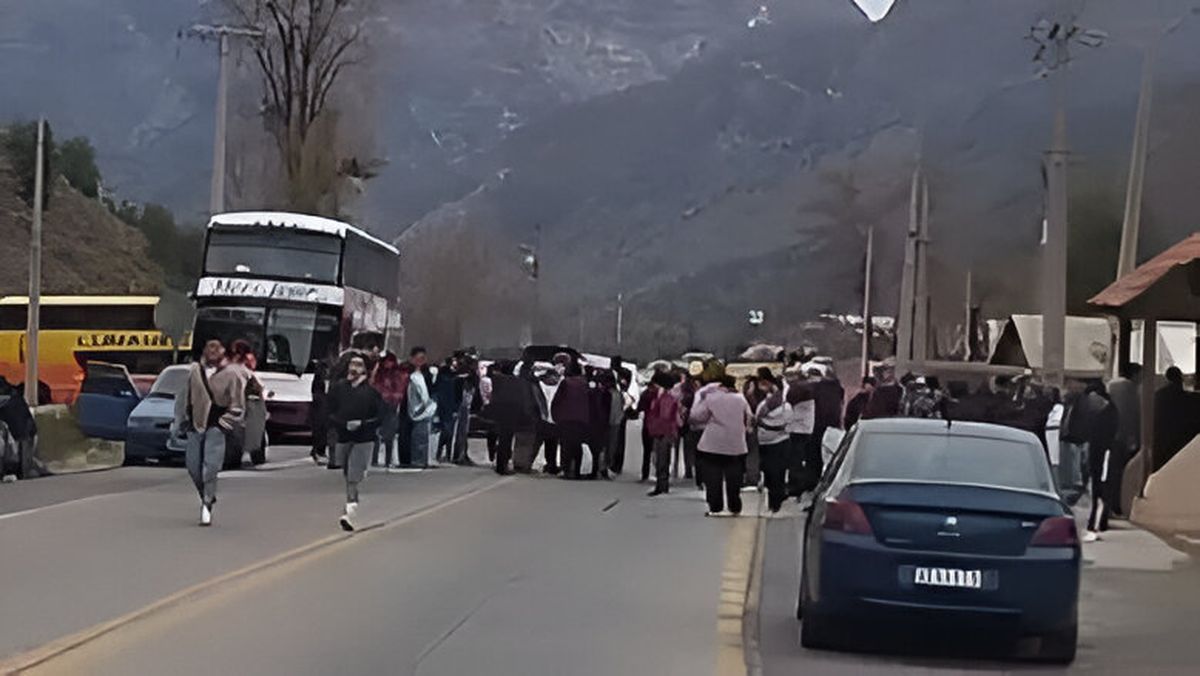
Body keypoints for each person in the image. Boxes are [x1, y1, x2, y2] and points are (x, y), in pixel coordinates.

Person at [174, 339, 246, 527]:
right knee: (193, 467)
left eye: (217, 347)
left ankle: (206, 503)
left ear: (223, 351)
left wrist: (225, 422)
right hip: (195, 426)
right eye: (209, 347)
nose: (213, 351)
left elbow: (238, 404)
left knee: (211, 468)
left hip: (216, 428)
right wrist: (181, 421)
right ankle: (206, 495)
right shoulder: (195, 371)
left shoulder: (232, 374)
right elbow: (184, 397)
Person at [326, 355, 384, 532]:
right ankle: (354, 504)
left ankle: (349, 512)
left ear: (365, 370)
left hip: (363, 439)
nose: (354, 368)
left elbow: (380, 417)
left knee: (353, 476)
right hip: (343, 437)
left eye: (358, 365)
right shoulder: (338, 389)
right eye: (352, 364)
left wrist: (362, 424)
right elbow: (329, 411)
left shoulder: (372, 393)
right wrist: (342, 424)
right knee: (347, 474)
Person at [689, 375, 752, 516]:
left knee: (713, 476)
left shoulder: (711, 398)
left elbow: (696, 416)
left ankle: (716, 507)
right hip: (736, 444)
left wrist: (702, 398)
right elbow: (749, 416)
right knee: (734, 476)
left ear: (720, 386)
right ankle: (735, 505)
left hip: (713, 444)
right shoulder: (741, 399)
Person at [1081, 382, 1118, 541]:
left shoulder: (1106, 410)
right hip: (1100, 451)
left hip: (1104, 452)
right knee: (1097, 486)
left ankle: (1097, 522)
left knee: (1100, 487)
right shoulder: (1106, 409)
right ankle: (1097, 520)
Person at [1106, 364, 1140, 516]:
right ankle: (1118, 504)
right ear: (1134, 375)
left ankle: (1110, 504)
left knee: (1111, 472)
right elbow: (1133, 416)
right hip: (1124, 437)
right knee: (1122, 473)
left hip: (1109, 435)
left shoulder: (1111, 385)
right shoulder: (1131, 389)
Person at [755, 373, 791, 514]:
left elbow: (757, 418)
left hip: (766, 443)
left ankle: (773, 500)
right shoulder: (786, 406)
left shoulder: (764, 405)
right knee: (778, 473)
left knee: (770, 472)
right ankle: (776, 501)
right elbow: (788, 423)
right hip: (780, 442)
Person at [552, 362, 592, 480]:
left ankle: (566, 470)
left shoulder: (566, 383)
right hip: (581, 418)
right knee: (577, 445)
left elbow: (557, 400)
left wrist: (555, 415)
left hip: (566, 418)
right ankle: (577, 470)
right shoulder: (585, 384)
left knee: (566, 445)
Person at [1153, 366, 1198, 471]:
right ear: (1181, 379)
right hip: (1185, 447)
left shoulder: (1157, 396)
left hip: (1161, 445)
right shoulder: (1191, 399)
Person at [645, 371, 681, 496]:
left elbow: (664, 416)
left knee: (662, 459)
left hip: (663, 432)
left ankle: (662, 485)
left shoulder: (666, 398)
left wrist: (657, 429)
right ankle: (661, 484)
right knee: (661, 459)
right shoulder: (663, 397)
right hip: (663, 431)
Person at [371, 353, 406, 469]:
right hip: (378, 407)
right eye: (385, 361)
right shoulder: (378, 374)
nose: (387, 364)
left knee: (389, 436)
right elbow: (373, 385)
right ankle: (374, 459)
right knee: (375, 434)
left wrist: (391, 398)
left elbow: (400, 389)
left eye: (389, 361)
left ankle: (388, 460)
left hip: (391, 407)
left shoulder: (397, 374)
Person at [784, 367, 815, 497]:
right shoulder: (809, 392)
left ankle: (795, 486)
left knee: (795, 459)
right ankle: (801, 483)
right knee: (801, 458)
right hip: (806, 429)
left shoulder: (799, 392)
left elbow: (790, 409)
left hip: (798, 430)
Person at [406, 347, 436, 468]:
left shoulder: (426, 374)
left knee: (422, 437)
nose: (421, 361)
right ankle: (418, 460)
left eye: (423, 358)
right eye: (418, 358)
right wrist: (428, 404)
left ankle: (421, 460)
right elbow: (424, 395)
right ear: (412, 359)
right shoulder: (414, 376)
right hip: (418, 410)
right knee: (419, 437)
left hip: (422, 410)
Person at [432, 357, 462, 464]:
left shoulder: (444, 380)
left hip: (444, 408)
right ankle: (444, 454)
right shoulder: (451, 380)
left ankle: (443, 454)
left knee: (446, 432)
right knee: (448, 432)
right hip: (447, 408)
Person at [635, 380, 659, 482]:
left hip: (647, 424)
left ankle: (645, 474)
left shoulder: (645, 394)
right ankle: (659, 474)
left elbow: (639, 408)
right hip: (658, 425)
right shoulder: (659, 395)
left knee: (647, 451)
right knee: (658, 451)